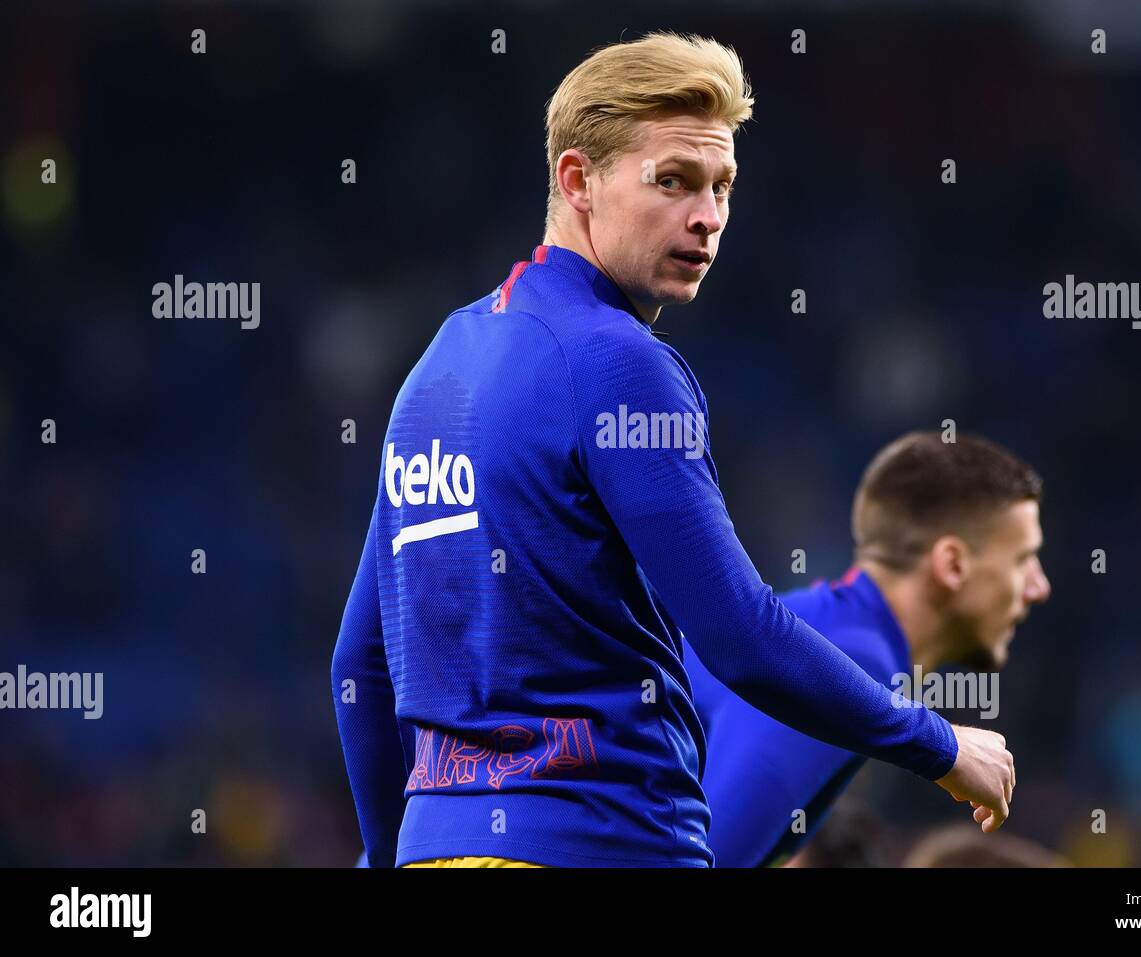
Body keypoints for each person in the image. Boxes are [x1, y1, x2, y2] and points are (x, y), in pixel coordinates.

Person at [331, 32, 1014, 869]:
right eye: (674, 182)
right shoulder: (617, 362)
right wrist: (939, 744)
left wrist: (386, 851)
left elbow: (359, 660)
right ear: (578, 180)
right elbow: (740, 633)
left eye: (722, 186)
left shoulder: (437, 369)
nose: (708, 216)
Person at [686, 431, 1050, 866]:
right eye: (1022, 559)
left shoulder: (833, 632)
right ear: (952, 564)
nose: (1039, 587)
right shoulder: (852, 661)